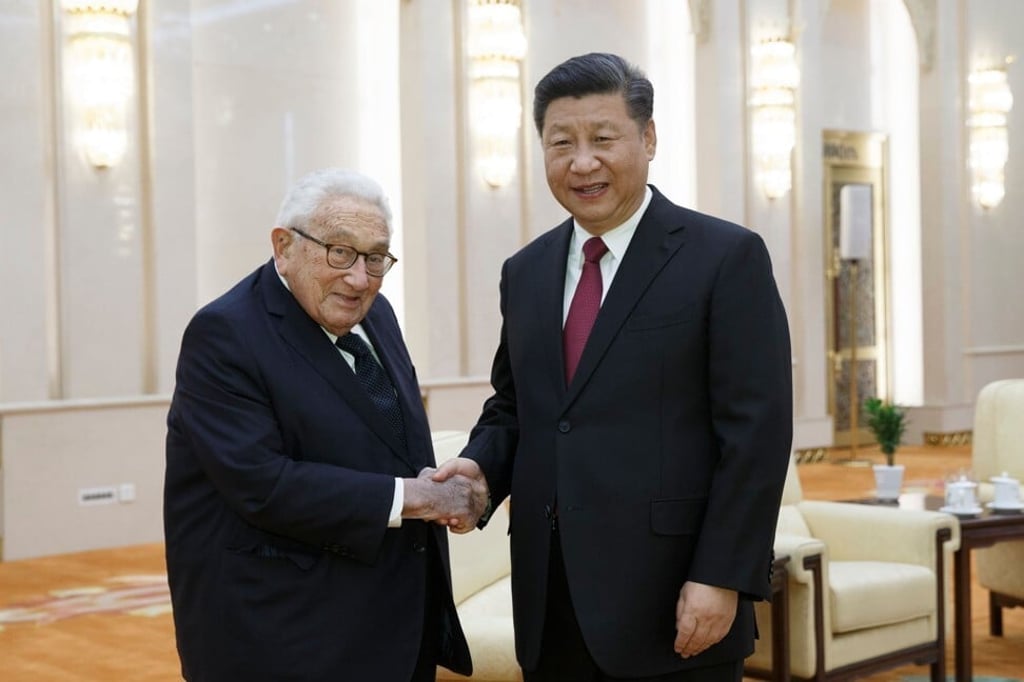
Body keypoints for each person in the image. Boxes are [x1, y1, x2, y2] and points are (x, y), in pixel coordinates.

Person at [436, 52, 793, 681]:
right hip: (551, 597)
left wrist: (722, 576)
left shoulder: (724, 257)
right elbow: (518, 406)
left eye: (603, 139)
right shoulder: (525, 271)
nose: (582, 163)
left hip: (675, 599)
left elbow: (755, 435)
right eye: (561, 143)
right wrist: (481, 466)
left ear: (648, 139)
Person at [163, 168, 484, 681]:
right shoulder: (225, 334)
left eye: (376, 257)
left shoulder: (377, 316)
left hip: (392, 624)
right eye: (339, 252)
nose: (359, 278)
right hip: (282, 636)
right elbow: (262, 484)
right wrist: (416, 498)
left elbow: (390, 442)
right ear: (284, 246)